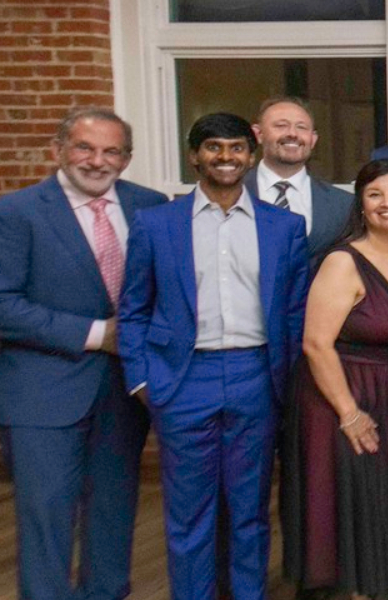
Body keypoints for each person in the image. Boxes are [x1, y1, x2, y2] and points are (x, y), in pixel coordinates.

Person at [0, 106, 166, 600]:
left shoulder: (153, 207)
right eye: (85, 147)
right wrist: (99, 334)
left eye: (111, 151)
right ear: (58, 149)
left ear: (127, 158)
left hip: (125, 392)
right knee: (46, 516)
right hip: (41, 395)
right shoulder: (13, 214)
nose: (97, 161)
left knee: (114, 512)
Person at [119, 112, 312, 600]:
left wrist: (287, 383)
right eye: (213, 148)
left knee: (250, 510)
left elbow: (294, 312)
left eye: (235, 148)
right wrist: (142, 379)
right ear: (194, 156)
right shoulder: (156, 224)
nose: (225, 158)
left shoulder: (284, 227)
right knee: (188, 513)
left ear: (252, 155)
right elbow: (134, 307)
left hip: (256, 376)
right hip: (183, 379)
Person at [281, 159, 388, 599]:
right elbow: (316, 344)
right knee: (354, 508)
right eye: (375, 194)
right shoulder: (343, 261)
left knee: (381, 508)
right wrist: (349, 413)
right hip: (343, 396)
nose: (387, 203)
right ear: (360, 204)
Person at [245, 96, 353, 255]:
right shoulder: (229, 194)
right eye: (281, 125)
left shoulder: (343, 205)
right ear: (258, 134)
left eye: (301, 127)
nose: (292, 134)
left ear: (313, 139)